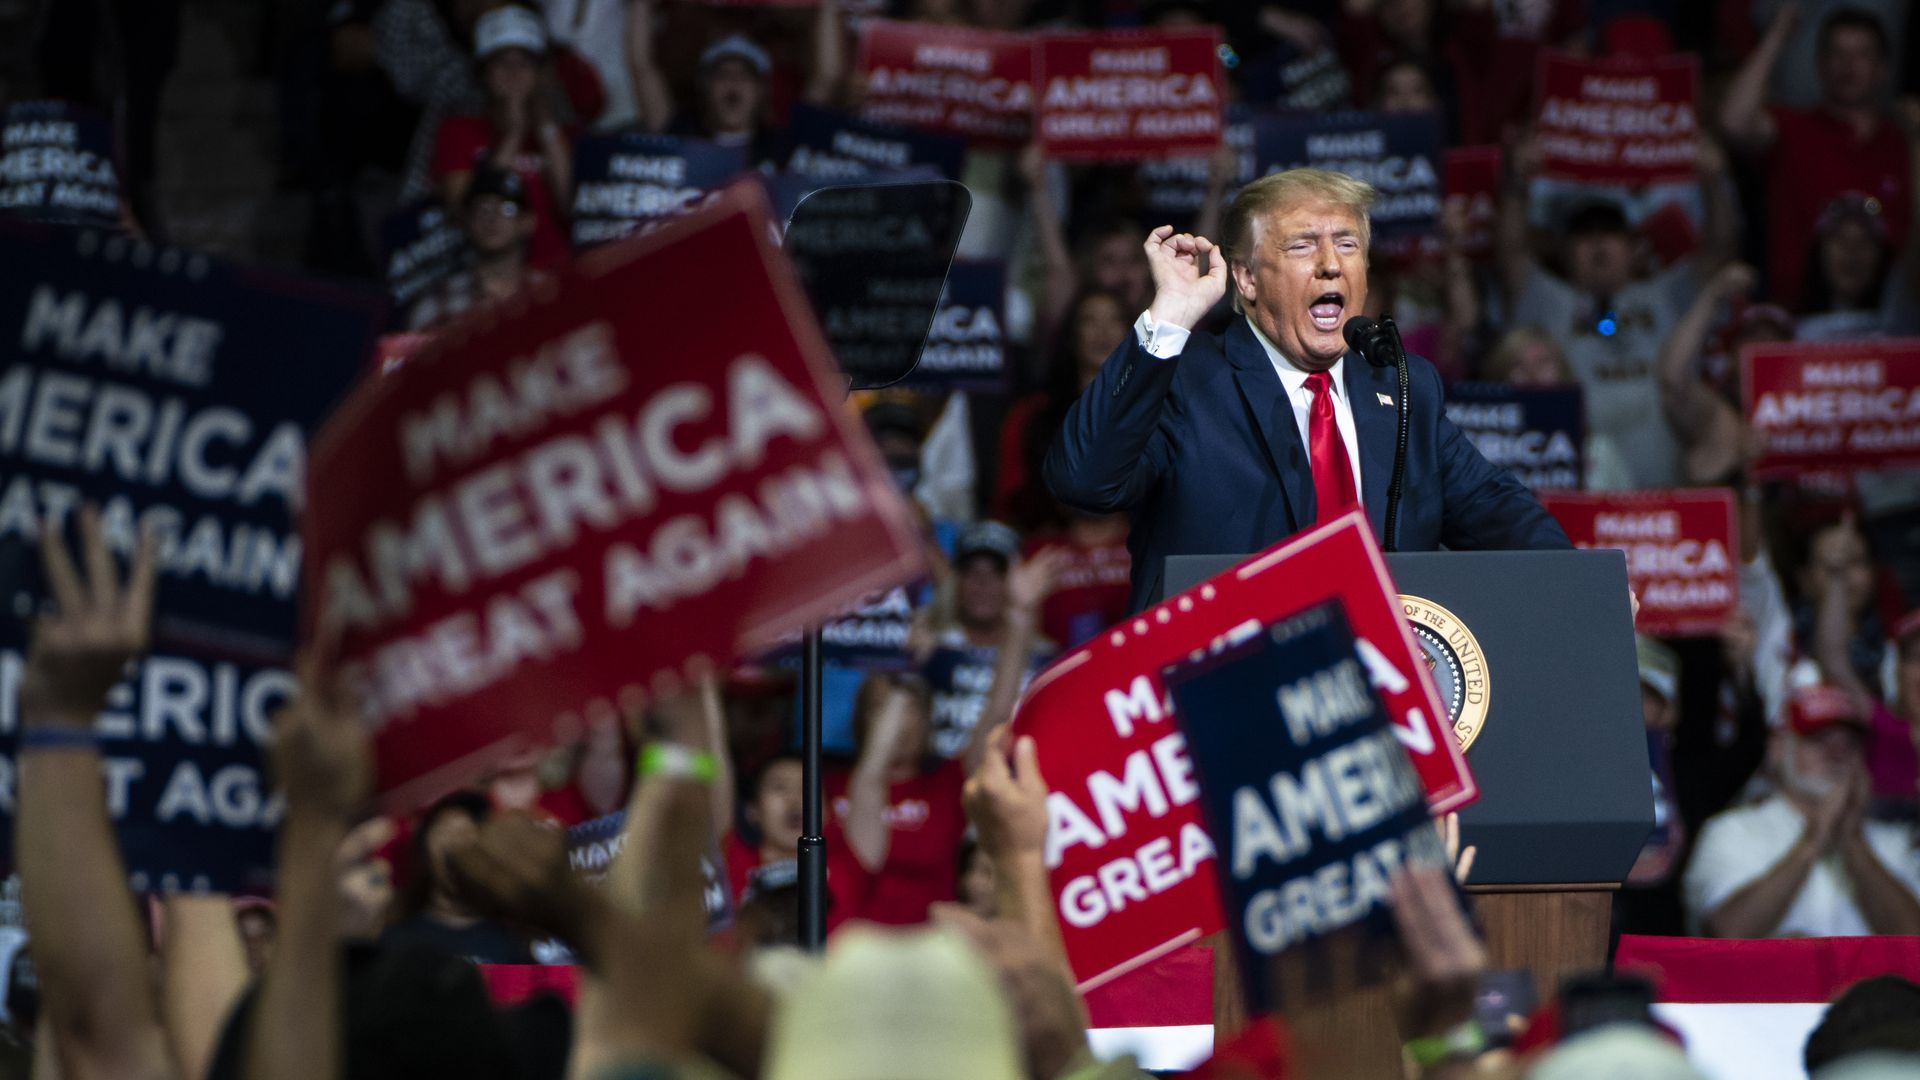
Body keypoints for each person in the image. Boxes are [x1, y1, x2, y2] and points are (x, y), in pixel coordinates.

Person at [1046, 168, 1570, 612]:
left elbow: (1493, 507)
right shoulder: (1187, 377)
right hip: (1218, 693)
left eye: (1347, 244)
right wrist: (1170, 317)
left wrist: (1579, 582)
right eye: (1302, 245)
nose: (1330, 262)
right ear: (1246, 279)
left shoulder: (1403, 385)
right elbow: (1084, 482)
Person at [1498, 137, 1740, 488]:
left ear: (1635, 247)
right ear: (1564, 251)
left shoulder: (1668, 294)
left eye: (1610, 233)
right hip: (1576, 501)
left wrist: (1716, 180)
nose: (1598, 245)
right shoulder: (1547, 300)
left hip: (1667, 505)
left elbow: (1720, 248)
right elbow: (1510, 254)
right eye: (1584, 236)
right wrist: (1517, 184)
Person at [1683, 684, 1920, 938]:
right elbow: (1725, 935)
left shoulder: (1895, 843)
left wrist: (1853, 843)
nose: (1836, 754)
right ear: (1779, 748)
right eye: (1819, 740)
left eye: (1848, 744)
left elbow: (1914, 940)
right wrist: (1813, 840)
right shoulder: (1732, 832)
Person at [1721, 5, 1913, 308]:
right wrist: (1777, 36)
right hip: (1799, 324)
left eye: (1861, 55)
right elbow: (1734, 122)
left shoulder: (1904, 142)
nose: (1848, 66)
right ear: (1819, 65)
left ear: (1883, 68)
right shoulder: (1793, 129)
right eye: (1837, 54)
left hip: (1891, 329)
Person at [428, 3, 573, 269]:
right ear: (483, 72)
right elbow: (465, 214)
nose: (513, 72)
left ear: (540, 73)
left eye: (524, 62)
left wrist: (546, 130)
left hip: (556, 274)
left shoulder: (561, 134)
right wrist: (513, 137)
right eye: (501, 62)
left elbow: (572, 206)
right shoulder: (457, 132)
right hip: (493, 283)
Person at [383, 790, 535, 964]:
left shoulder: (513, 943)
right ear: (425, 848)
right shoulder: (396, 939)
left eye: (466, 832)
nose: (455, 841)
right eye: (443, 831)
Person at [406, 162, 550, 330]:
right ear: (467, 220)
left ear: (528, 221)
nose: (493, 218)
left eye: (507, 209)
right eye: (483, 209)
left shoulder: (548, 294)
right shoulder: (435, 305)